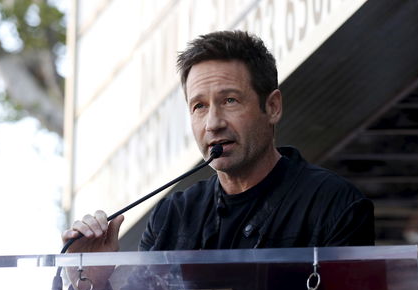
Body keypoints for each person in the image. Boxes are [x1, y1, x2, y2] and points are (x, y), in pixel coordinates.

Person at [62, 30, 374, 255]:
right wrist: (96, 279)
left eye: (230, 100)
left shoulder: (335, 205)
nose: (213, 123)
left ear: (273, 107)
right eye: (199, 106)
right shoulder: (172, 216)